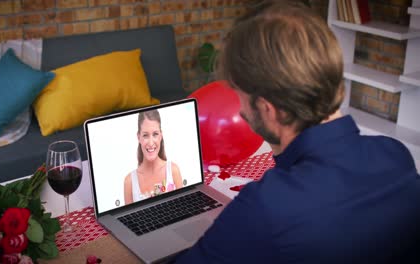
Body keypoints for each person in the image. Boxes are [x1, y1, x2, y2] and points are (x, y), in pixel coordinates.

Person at [175, 1, 420, 263]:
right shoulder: (396, 156)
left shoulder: (266, 207)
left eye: (239, 95)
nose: (240, 110)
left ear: (267, 109)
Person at [124, 109, 183, 205]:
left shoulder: (173, 171)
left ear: (161, 135)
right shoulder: (129, 181)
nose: (151, 143)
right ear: (139, 137)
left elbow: (182, 207)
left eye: (155, 134)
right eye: (145, 135)